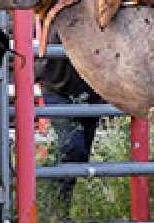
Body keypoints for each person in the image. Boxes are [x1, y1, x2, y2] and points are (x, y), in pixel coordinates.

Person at [36, 57, 104, 211]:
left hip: (91, 91)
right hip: (58, 87)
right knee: (72, 145)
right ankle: (58, 206)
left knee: (81, 154)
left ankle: (58, 207)